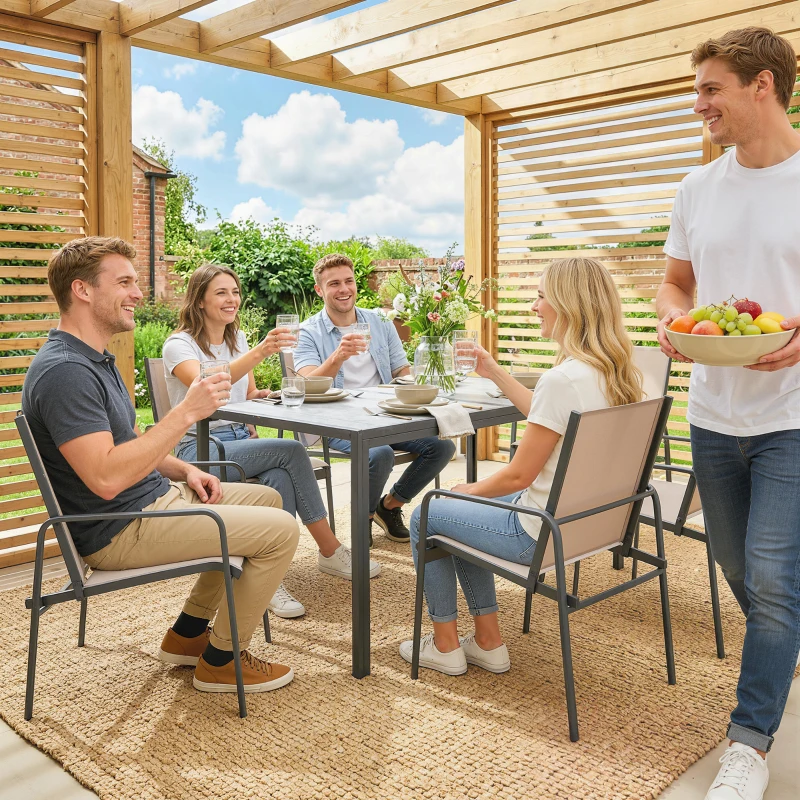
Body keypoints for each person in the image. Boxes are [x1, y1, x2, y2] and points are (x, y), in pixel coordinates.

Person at [22, 236, 302, 695]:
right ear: (83, 290)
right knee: (279, 531)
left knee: (268, 499)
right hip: (118, 527)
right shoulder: (65, 372)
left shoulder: (95, 359)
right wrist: (185, 413)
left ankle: (187, 636)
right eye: (126, 282)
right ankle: (222, 661)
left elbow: (130, 441)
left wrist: (185, 471)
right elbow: (107, 477)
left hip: (151, 497)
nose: (138, 293)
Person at [656, 27, 800, 800]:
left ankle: (748, 745)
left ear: (763, 85)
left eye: (712, 87)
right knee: (741, 567)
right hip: (712, 414)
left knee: (775, 581)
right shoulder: (696, 187)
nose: (700, 102)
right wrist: (668, 318)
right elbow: (675, 284)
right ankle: (786, 638)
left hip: (793, 415)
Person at [400, 258, 643, 676]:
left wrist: (463, 493)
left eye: (541, 296)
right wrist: (494, 370)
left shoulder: (562, 380)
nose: (534, 306)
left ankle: (444, 645)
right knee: (463, 506)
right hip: (583, 525)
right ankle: (488, 642)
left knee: (429, 513)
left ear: (569, 306)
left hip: (537, 533)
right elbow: (551, 419)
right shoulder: (618, 373)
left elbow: (517, 477)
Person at [163, 263, 381, 619]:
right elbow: (207, 384)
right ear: (199, 300)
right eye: (221, 292)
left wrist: (264, 395)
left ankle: (266, 576)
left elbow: (245, 394)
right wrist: (262, 352)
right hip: (200, 450)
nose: (231, 299)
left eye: (234, 292)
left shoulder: (237, 340)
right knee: (292, 450)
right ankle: (329, 549)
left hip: (238, 441)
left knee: (280, 476)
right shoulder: (179, 345)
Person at [294, 253, 455, 543]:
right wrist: (338, 356)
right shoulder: (308, 331)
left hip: (384, 414)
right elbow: (307, 385)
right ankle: (363, 519)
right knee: (379, 453)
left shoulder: (379, 321)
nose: (344, 289)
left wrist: (421, 387)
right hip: (336, 419)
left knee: (442, 446)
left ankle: (389, 506)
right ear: (320, 290)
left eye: (348, 281)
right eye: (334, 284)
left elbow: (401, 371)